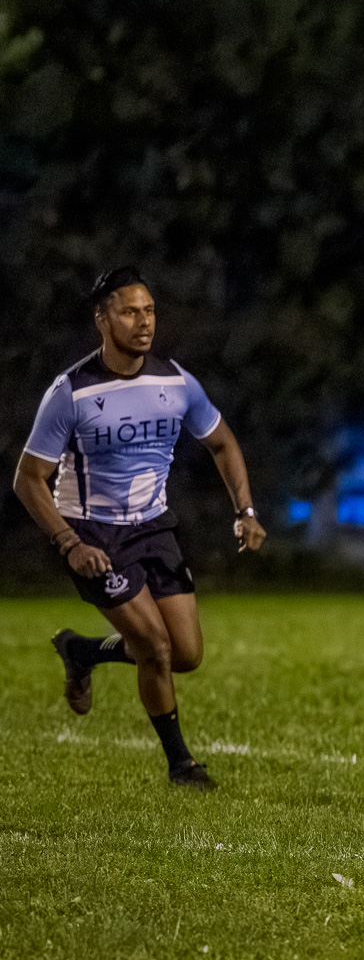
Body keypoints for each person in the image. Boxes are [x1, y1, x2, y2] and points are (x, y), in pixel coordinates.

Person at [13, 267, 265, 789]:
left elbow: (223, 443)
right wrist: (69, 543)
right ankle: (181, 765)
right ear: (102, 319)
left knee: (187, 655)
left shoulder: (175, 382)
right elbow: (28, 479)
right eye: (130, 311)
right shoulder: (72, 392)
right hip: (93, 533)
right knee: (154, 646)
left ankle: (84, 651)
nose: (143, 322)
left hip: (154, 527)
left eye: (149, 310)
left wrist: (246, 512)